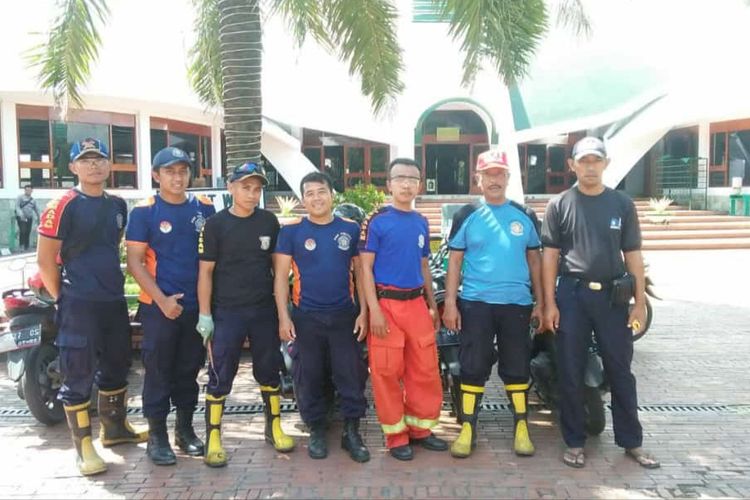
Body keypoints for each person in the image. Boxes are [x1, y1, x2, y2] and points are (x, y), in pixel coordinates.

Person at [541, 136, 660, 469]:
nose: (590, 166)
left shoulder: (622, 204)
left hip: (612, 298)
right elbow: (549, 257)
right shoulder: (559, 204)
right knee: (570, 369)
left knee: (621, 369)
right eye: (584, 160)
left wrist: (638, 302)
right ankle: (575, 442)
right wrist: (549, 303)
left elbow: (633, 254)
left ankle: (631, 441)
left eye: (596, 160)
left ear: (606, 164)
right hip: (572, 296)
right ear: (572, 165)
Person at [36, 138, 147, 476]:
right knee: (78, 370)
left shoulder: (117, 205)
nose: (94, 165)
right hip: (78, 302)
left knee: (117, 362)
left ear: (109, 165)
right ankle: (84, 447)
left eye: (100, 158)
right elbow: (45, 260)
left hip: (112, 299)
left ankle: (114, 430)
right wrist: (63, 296)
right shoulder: (63, 204)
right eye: (85, 160)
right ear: (73, 167)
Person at [442, 150, 543, 459]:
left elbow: (535, 260)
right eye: (489, 174)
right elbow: (455, 261)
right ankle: (469, 428)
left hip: (517, 304)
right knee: (473, 366)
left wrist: (540, 302)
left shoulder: (524, 215)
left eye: (500, 174)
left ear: (508, 178)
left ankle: (521, 427)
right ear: (478, 179)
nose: (495, 180)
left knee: (517, 366)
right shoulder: (466, 215)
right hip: (475, 304)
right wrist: (449, 303)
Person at [196, 162, 294, 468]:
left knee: (269, 369)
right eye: (245, 187)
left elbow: (278, 271)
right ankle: (214, 436)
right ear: (231, 187)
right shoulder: (215, 225)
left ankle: (274, 426)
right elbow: (205, 272)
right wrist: (204, 314)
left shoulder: (268, 222)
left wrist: (282, 314)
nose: (251, 194)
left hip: (263, 310)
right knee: (221, 373)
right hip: (227, 312)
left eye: (256, 189)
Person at [125, 147, 215, 465]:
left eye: (182, 171)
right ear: (156, 176)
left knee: (189, 370)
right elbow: (134, 263)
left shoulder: (205, 208)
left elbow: (213, 258)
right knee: (159, 372)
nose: (177, 177)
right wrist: (163, 301)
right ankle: (157, 436)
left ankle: (185, 431)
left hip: (194, 307)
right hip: (159, 308)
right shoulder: (144, 212)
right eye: (169, 171)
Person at [273, 171, 370, 463]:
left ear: (332, 194)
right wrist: (283, 317)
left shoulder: (350, 229)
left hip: (344, 315)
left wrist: (364, 312)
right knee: (310, 375)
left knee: (350, 373)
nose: (316, 198)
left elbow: (362, 273)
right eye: (310, 193)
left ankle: (351, 431)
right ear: (303, 199)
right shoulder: (291, 231)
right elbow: (280, 278)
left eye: (321, 191)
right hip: (306, 317)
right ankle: (316, 428)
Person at [359, 158, 448, 461]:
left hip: (417, 305)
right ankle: (396, 436)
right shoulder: (377, 221)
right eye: (400, 178)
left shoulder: (421, 222)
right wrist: (374, 311)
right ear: (389, 184)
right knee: (386, 371)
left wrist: (432, 303)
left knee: (424, 368)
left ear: (420, 185)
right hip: (387, 304)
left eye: (413, 179)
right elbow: (365, 269)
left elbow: (424, 265)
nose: (407, 184)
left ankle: (421, 429)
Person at [15, 184, 39, 251]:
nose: (28, 191)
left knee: (28, 231)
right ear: (24, 190)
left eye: (29, 190)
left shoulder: (33, 200)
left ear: (32, 191)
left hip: (29, 217)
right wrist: (20, 213)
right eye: (27, 190)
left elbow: (36, 209)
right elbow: (17, 206)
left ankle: (27, 246)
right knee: (23, 231)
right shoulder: (20, 197)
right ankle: (21, 246)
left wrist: (39, 217)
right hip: (21, 217)